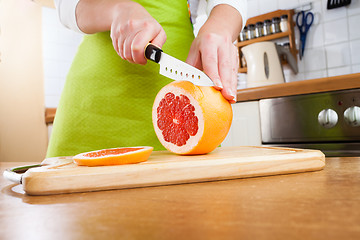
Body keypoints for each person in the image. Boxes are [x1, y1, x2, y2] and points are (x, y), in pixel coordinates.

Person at [47, 0, 247, 157]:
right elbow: (67, 4)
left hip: (187, 99)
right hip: (92, 106)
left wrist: (221, 26)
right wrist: (118, 10)